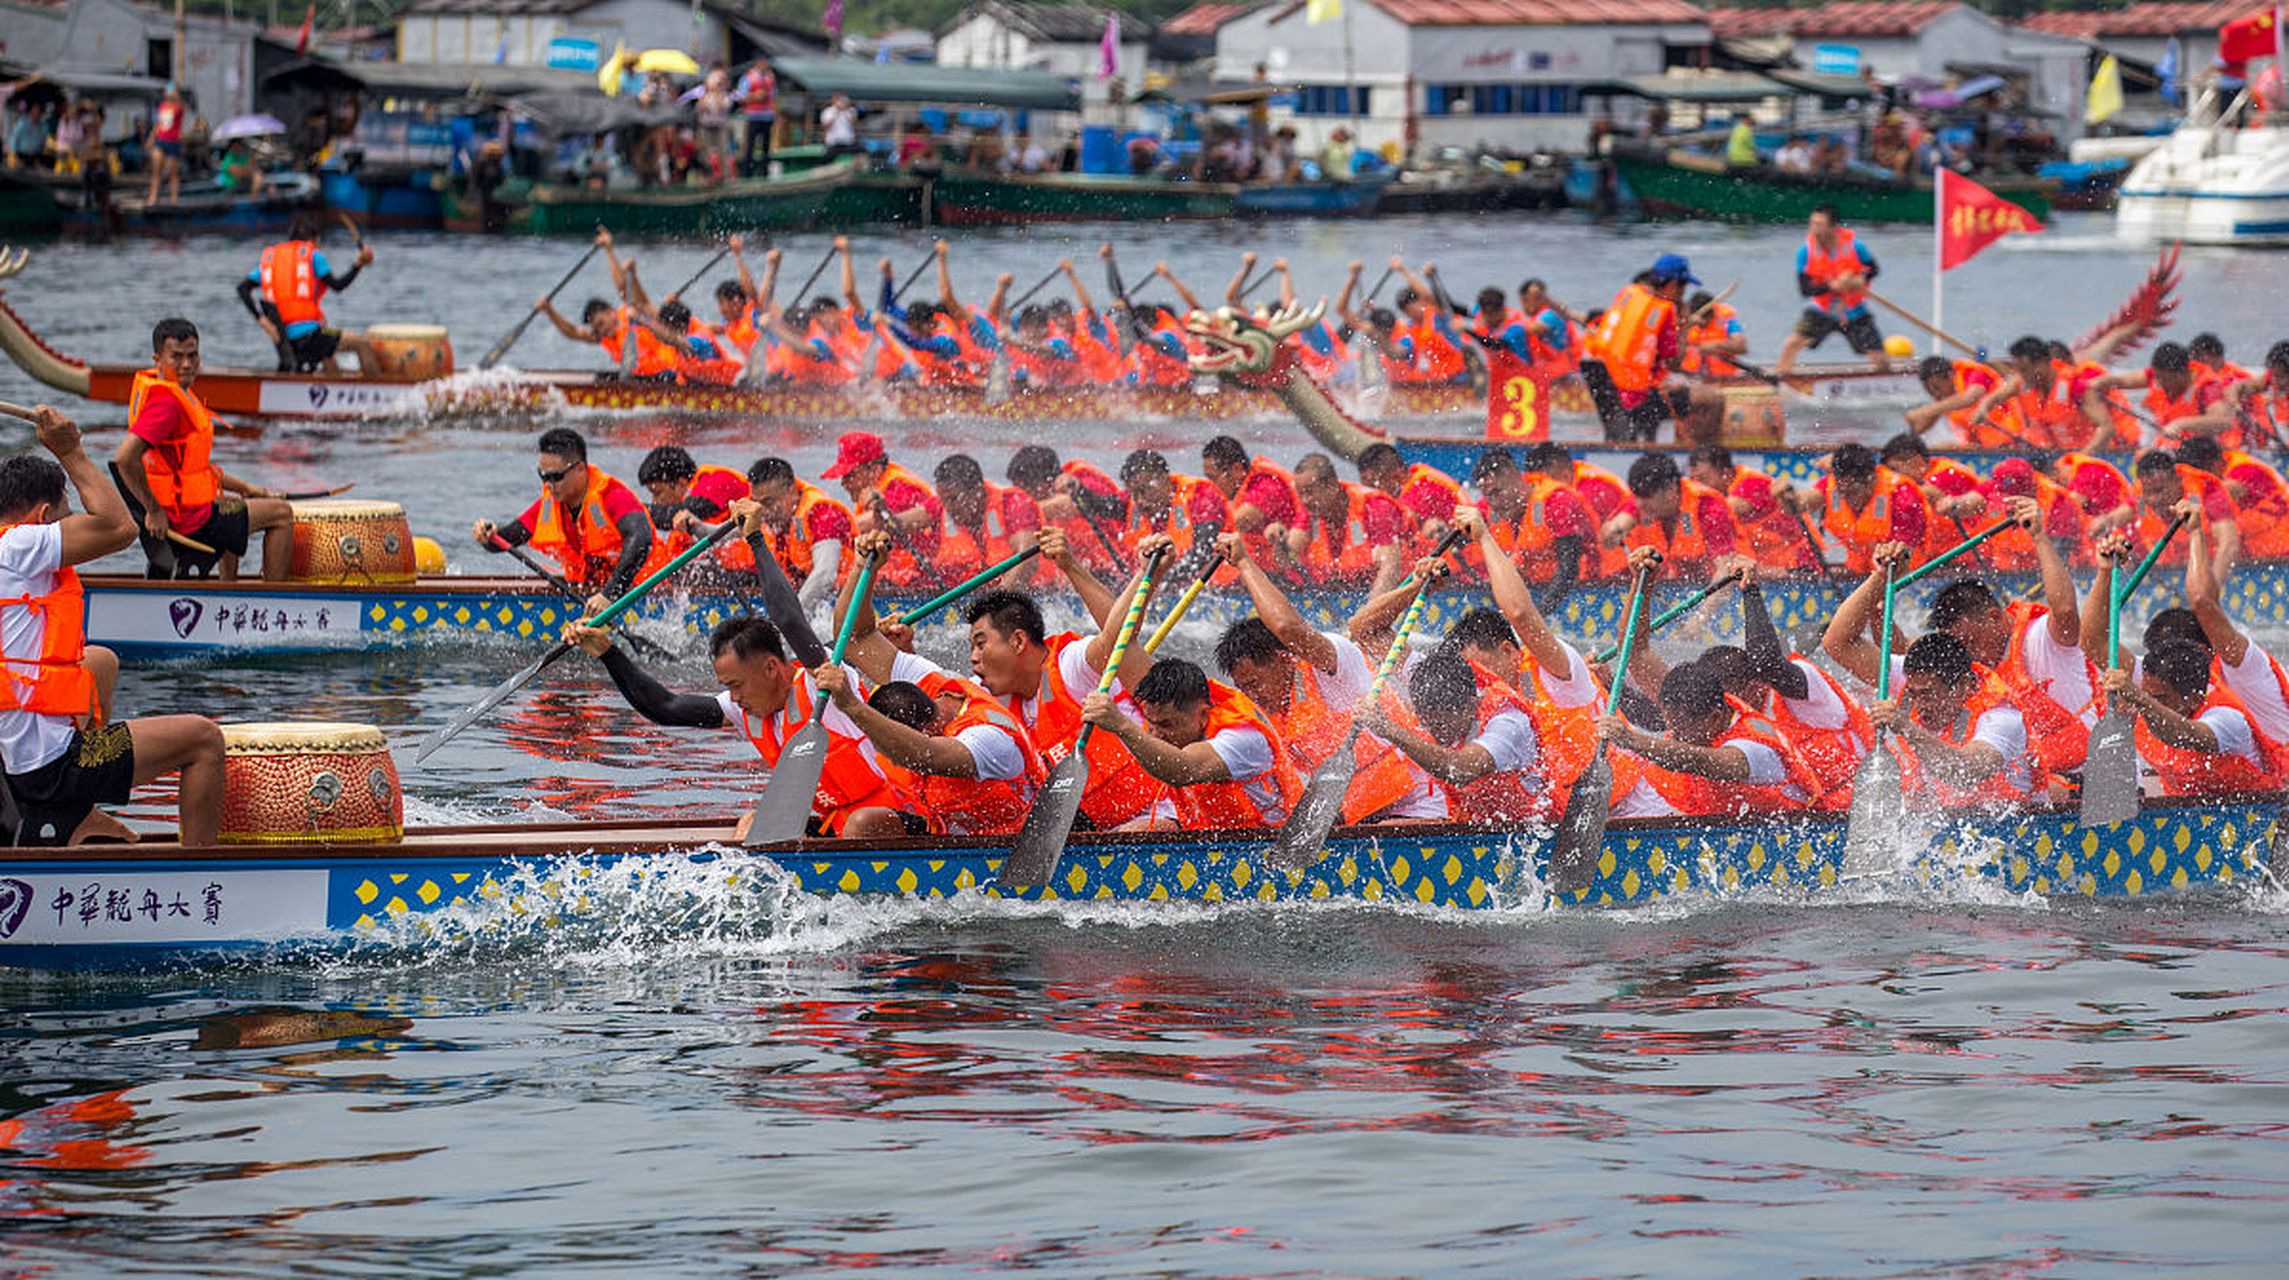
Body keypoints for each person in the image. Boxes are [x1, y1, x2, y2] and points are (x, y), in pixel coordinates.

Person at [1, 405, 225, 846]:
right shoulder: (22, 545)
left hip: (11, 752)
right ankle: (199, 875)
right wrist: (71, 451)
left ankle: (80, 814)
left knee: (100, 661)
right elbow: (119, 527)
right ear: (45, 516)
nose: (75, 526)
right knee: (204, 739)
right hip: (46, 767)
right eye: (70, 516)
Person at [564, 582, 923, 839]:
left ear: (771, 668)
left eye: (736, 685)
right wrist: (607, 653)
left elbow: (789, 618)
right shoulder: (748, 710)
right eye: (727, 687)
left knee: (860, 824)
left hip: (903, 814)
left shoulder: (821, 680)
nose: (733, 698)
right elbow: (664, 707)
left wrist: (754, 539)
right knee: (752, 823)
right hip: (839, 823)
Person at [1213, 533, 1443, 824]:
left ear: (1284, 659)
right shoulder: (1273, 715)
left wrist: (1245, 563)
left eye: (1254, 684)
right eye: (1243, 688)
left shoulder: (1332, 663)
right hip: (1361, 817)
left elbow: (1287, 629)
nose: (1251, 695)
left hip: (1414, 804)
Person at [963, 534, 1171, 831]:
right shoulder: (994, 694)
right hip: (1095, 829)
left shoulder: (1068, 664)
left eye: (981, 645)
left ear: (1019, 641)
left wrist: (1072, 566)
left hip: (1159, 810)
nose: (973, 658)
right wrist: (891, 643)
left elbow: (1120, 637)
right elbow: (929, 695)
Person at [113, 318, 296, 581]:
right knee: (281, 513)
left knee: (234, 504)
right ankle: (273, 599)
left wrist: (248, 488)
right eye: (176, 357)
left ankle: (226, 590)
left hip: (185, 508)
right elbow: (124, 459)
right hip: (185, 519)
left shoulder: (173, 392)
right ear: (158, 359)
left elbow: (193, 469)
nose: (187, 364)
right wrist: (153, 511)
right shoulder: (167, 404)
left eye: (192, 355)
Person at [1081, 654, 1302, 831]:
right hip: (1212, 835)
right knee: (1129, 834)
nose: (1156, 735)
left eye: (1167, 725)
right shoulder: (1178, 706)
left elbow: (1181, 769)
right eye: (1151, 723)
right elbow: (1126, 644)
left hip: (1273, 843)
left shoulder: (1242, 737)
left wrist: (1122, 725)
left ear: (1203, 715)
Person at [1598, 660, 1825, 817]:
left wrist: (1630, 739)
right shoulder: (1698, 704)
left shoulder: (1754, 751)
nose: (1674, 736)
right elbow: (1640, 653)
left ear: (1714, 718)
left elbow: (1697, 761)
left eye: (1681, 730)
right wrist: (1605, 683)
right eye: (1672, 728)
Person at [470, 427, 655, 610]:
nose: (549, 485)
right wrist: (489, 536)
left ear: (581, 469)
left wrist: (609, 595)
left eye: (556, 477)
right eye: (543, 476)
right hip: (596, 596)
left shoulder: (613, 496)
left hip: (648, 593)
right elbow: (508, 539)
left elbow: (642, 539)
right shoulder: (550, 506)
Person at [236, 213, 378, 374]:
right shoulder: (312, 255)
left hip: (285, 340)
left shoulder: (272, 259)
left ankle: (334, 392)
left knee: (328, 354)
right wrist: (357, 265)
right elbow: (338, 286)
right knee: (362, 344)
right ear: (314, 240)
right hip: (310, 335)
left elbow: (242, 288)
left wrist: (261, 319)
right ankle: (380, 393)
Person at [1580, 254, 1696, 442]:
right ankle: (1671, 448)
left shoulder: (1628, 293)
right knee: (1693, 399)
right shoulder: (1664, 310)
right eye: (1683, 288)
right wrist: (1685, 326)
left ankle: (1631, 437)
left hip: (1599, 377)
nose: (1682, 294)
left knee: (1651, 394)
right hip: (1631, 390)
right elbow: (1674, 363)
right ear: (1673, 283)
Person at [822, 431, 942, 589]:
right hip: (897, 579)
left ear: (874, 470)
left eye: (850, 475)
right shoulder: (873, 486)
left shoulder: (900, 491)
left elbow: (866, 525)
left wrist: (823, 531)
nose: (843, 483)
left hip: (924, 584)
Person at [1775, 205, 1886, 375]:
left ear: (1833, 227)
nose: (1814, 230)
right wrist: (1831, 286)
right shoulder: (1805, 252)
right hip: (1822, 309)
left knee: (1880, 360)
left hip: (1854, 310)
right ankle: (1781, 382)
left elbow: (1873, 270)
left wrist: (1858, 280)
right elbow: (1805, 290)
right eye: (1812, 224)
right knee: (1791, 344)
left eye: (1819, 225)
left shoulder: (1856, 247)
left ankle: (1883, 382)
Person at [741, 456, 851, 610]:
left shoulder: (822, 514)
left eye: (768, 503)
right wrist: (697, 526)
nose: (762, 512)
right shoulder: (770, 514)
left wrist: (793, 618)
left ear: (790, 491)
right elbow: (726, 535)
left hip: (849, 600)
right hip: (805, 599)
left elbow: (825, 575)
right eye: (756, 503)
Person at [144, 85, 183, 206]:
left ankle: (174, 198)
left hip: (173, 141)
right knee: (156, 170)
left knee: (172, 171)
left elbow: (179, 107)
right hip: (161, 139)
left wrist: (175, 95)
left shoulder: (178, 107)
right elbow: (159, 123)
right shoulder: (162, 106)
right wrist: (151, 138)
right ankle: (153, 196)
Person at [738, 57, 776, 177]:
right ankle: (747, 174)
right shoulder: (748, 77)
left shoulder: (770, 77)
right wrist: (755, 96)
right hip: (753, 116)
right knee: (750, 146)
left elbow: (774, 96)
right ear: (759, 62)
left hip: (767, 116)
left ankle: (764, 173)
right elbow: (740, 98)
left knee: (766, 147)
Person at [821, 92, 859, 160]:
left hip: (848, 142)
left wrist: (847, 111)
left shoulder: (851, 111)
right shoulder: (828, 111)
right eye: (837, 99)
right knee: (830, 163)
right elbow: (825, 127)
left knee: (848, 163)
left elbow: (855, 125)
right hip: (833, 143)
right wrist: (835, 114)